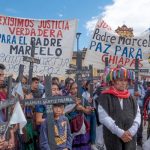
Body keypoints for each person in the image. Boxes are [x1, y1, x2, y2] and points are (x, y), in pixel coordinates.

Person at [97, 65, 141, 150]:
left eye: (125, 80)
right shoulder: (105, 96)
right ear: (113, 81)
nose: (123, 83)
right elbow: (104, 117)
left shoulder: (131, 97)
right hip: (113, 137)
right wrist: (120, 133)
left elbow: (137, 115)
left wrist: (131, 131)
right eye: (120, 80)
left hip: (130, 137)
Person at [65, 82, 92, 150]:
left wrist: (84, 109)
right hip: (71, 127)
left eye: (76, 88)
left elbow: (90, 111)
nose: (75, 90)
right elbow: (63, 112)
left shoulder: (82, 98)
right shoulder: (66, 99)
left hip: (82, 127)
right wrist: (73, 108)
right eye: (73, 88)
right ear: (69, 89)